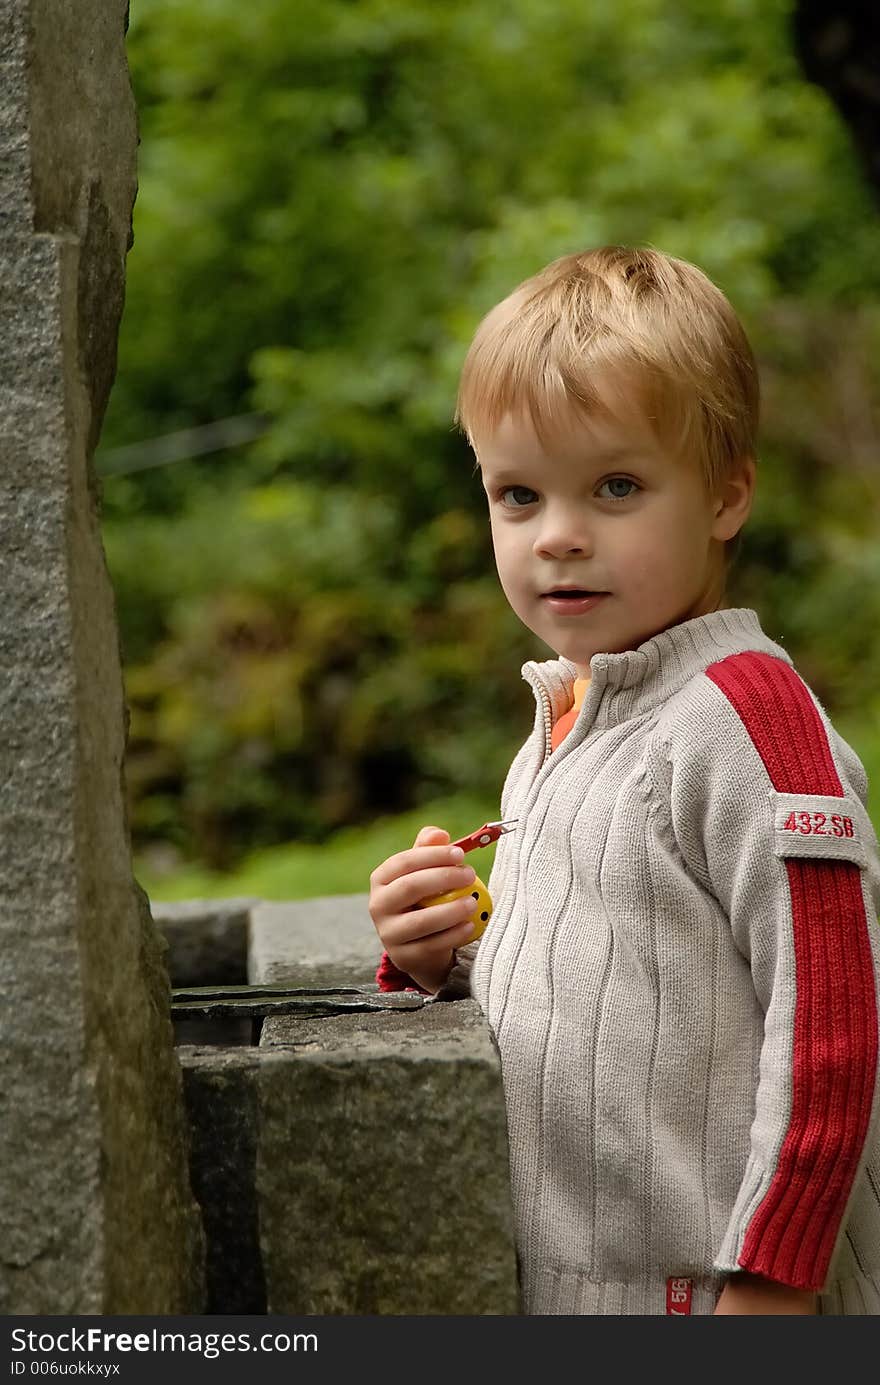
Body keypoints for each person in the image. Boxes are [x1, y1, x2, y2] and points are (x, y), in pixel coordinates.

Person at [368, 246, 880, 1315]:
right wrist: (442, 953)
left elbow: (835, 1013)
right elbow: (610, 990)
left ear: (726, 493)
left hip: (719, 1293)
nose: (558, 534)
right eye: (518, 494)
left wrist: (771, 1281)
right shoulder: (571, 717)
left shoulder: (743, 717)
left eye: (615, 485)